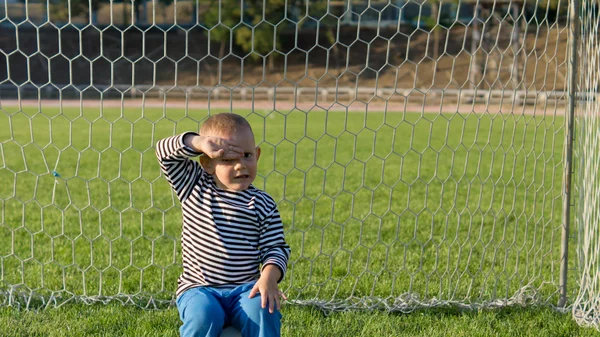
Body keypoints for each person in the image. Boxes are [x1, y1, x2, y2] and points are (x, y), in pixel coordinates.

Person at [155, 113, 291, 337]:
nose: (240, 166)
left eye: (247, 155)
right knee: (203, 317)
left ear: (257, 155)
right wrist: (198, 142)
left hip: (246, 288)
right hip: (199, 287)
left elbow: (275, 248)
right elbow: (163, 152)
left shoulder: (263, 203)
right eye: (227, 159)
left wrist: (268, 276)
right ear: (207, 162)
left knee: (263, 311)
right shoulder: (194, 186)